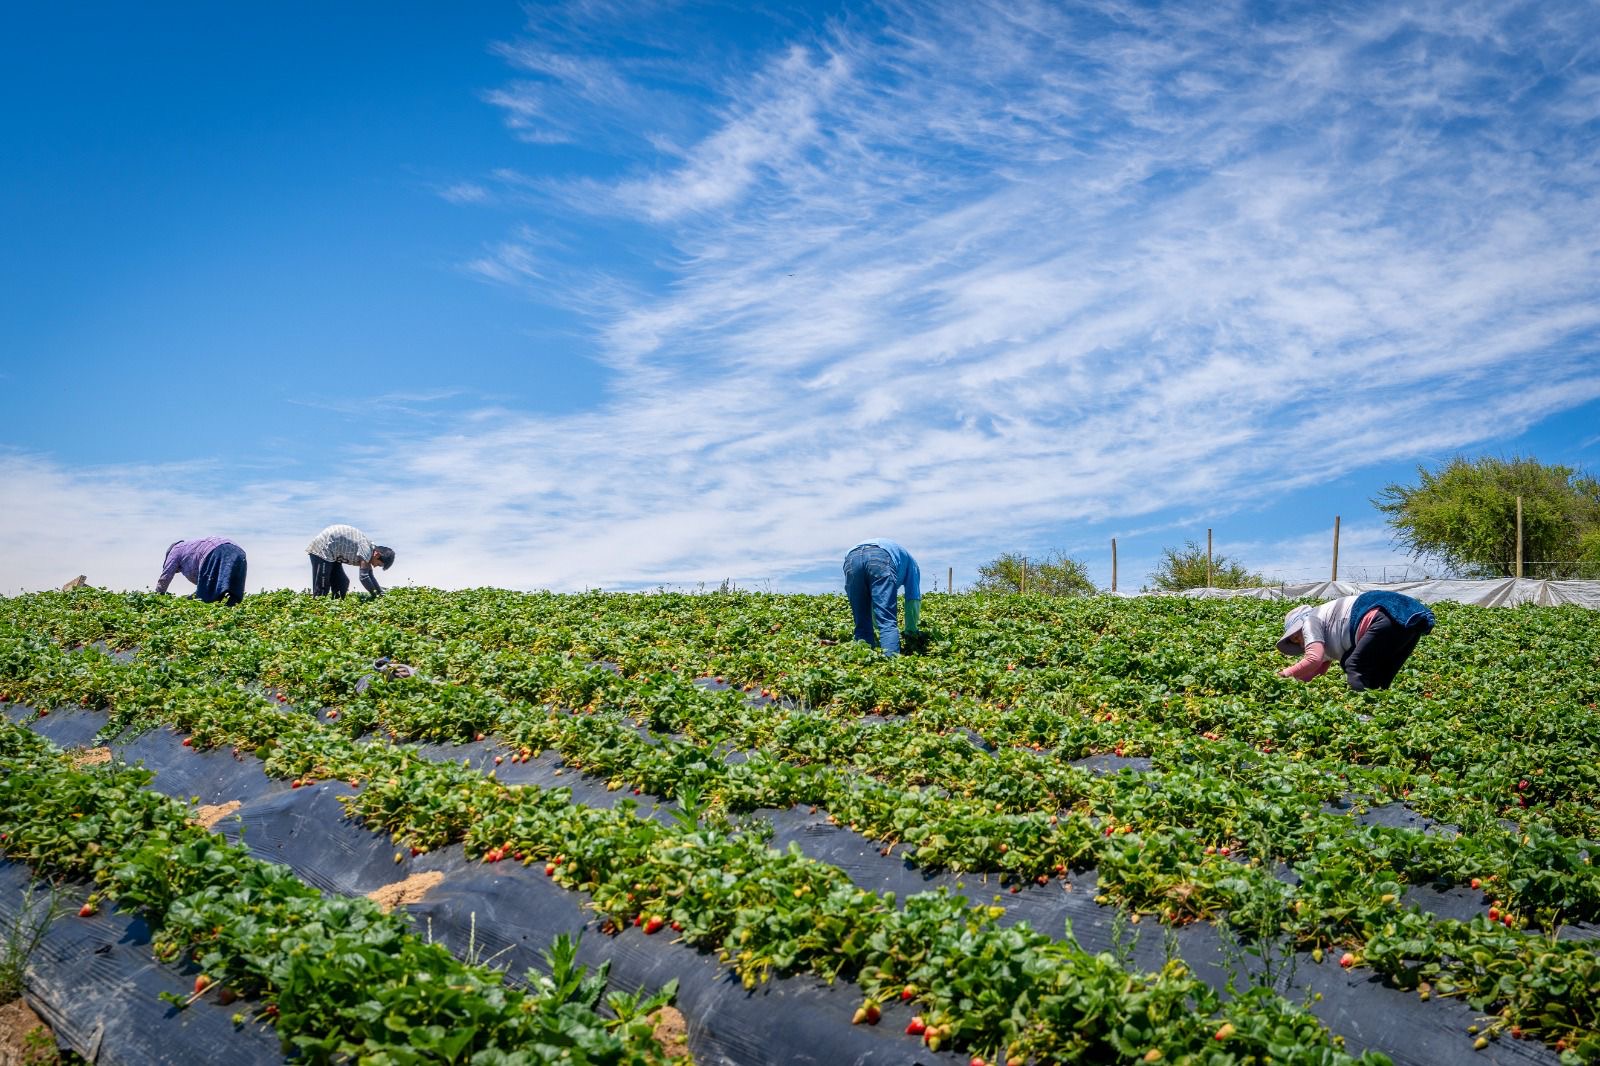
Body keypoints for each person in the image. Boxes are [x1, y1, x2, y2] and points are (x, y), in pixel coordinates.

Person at [1276, 590, 1436, 691]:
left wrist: (1283, 675)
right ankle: (1377, 723)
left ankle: (1362, 718)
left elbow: (1313, 659)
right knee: (1379, 679)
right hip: (1408, 624)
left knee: (1354, 665)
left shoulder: (1311, 620)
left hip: (1387, 613)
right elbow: (1314, 672)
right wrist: (1287, 688)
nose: (1299, 641)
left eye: (1296, 635)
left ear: (1302, 625)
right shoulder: (1326, 640)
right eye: (1295, 641)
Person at [843, 539, 921, 657]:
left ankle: (865, 664)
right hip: (881, 557)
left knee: (861, 623)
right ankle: (891, 667)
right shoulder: (913, 565)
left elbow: (872, 603)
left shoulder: (901, 555)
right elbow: (913, 598)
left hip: (851, 558)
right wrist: (911, 631)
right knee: (887, 622)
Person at [306, 524, 395, 598]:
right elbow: (364, 577)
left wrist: (380, 591)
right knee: (322, 586)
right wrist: (375, 595)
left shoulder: (370, 551)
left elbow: (370, 576)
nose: (375, 566)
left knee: (342, 583)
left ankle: (335, 608)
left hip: (333, 553)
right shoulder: (367, 550)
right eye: (378, 564)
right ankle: (317, 610)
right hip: (322, 548)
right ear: (377, 554)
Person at [155, 537, 248, 605]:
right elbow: (207, 583)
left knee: (205, 599)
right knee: (233, 596)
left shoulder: (175, 550)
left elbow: (166, 576)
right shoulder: (190, 549)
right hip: (238, 553)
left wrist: (157, 596)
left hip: (216, 551)